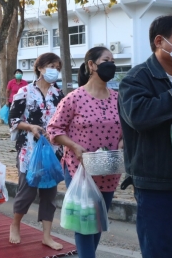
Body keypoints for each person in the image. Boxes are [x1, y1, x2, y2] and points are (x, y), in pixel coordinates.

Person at [118, 14, 172, 258]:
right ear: (160, 41)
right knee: (160, 251)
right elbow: (139, 116)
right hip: (157, 186)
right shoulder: (136, 79)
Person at [47, 47, 123, 258]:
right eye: (106, 60)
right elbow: (54, 129)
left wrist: (124, 140)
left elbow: (128, 127)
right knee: (84, 221)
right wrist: (73, 145)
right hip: (79, 169)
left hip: (109, 170)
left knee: (97, 220)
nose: (111, 64)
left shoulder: (119, 98)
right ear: (92, 65)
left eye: (113, 61)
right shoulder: (74, 98)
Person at [7, 53, 65, 249]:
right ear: (40, 68)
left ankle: (47, 235)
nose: (54, 70)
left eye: (57, 67)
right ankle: (15, 224)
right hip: (29, 151)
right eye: (50, 65)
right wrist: (31, 127)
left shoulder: (58, 94)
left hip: (53, 151)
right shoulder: (24, 91)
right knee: (27, 192)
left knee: (49, 194)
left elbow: (65, 121)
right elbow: (13, 120)